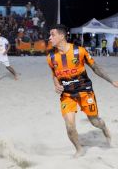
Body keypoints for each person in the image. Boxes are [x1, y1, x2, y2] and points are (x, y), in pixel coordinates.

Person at [46, 24, 118, 158]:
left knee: (95, 122)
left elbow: (95, 68)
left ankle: (104, 128)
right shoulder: (50, 57)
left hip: (85, 91)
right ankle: (79, 149)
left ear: (62, 36)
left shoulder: (79, 51)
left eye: (52, 35)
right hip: (67, 95)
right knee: (70, 127)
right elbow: (55, 74)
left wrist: (112, 81)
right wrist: (56, 85)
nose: (49, 38)